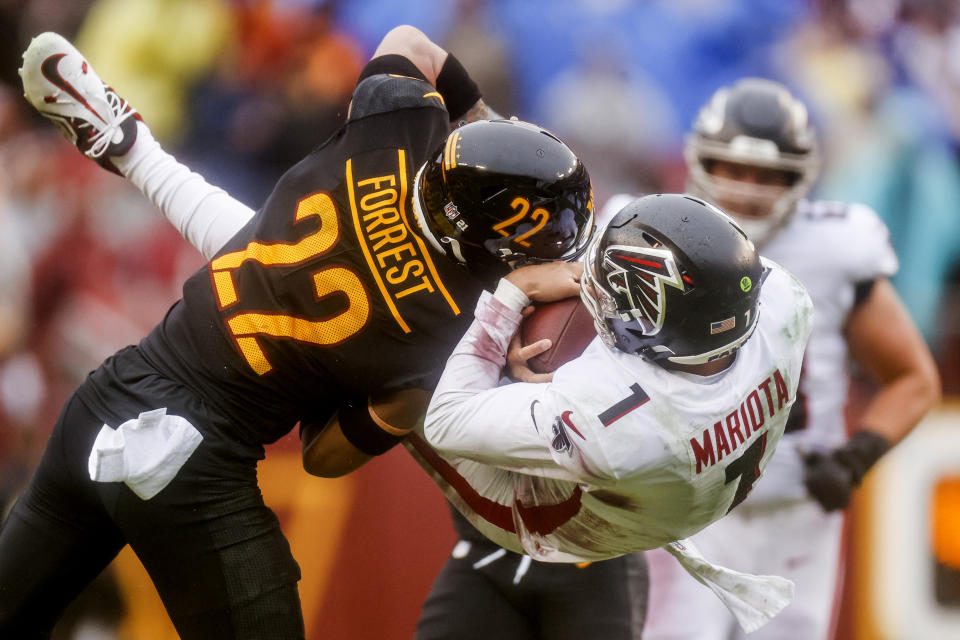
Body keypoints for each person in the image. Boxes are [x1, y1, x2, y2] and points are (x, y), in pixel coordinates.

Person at [1, 26, 594, 639]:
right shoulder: (444, 336)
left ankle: (136, 152)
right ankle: (136, 153)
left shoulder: (392, 127)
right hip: (193, 463)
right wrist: (397, 408)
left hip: (108, 396)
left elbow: (410, 40)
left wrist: (480, 121)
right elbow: (323, 457)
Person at [408, 191, 816, 634]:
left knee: (408, 381)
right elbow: (703, 291)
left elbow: (447, 420)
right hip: (672, 480)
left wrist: (513, 294)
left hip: (562, 521)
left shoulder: (615, 421)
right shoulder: (782, 302)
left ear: (659, 326)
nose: (593, 293)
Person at [636, 78, 942, 640]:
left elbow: (913, 378)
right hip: (679, 513)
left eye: (768, 175)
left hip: (795, 516)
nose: (749, 189)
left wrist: (856, 457)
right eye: (732, 168)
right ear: (701, 163)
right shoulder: (648, 236)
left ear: (800, 176)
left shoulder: (836, 245)